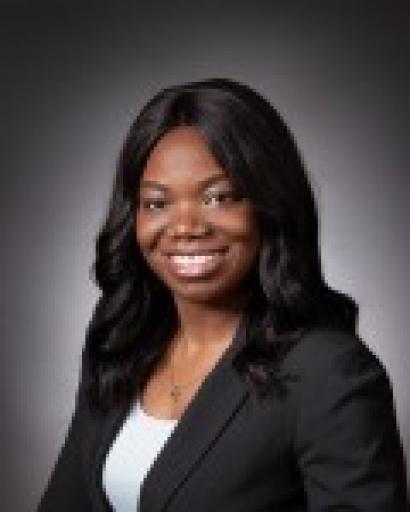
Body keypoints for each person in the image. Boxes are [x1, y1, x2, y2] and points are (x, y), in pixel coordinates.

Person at [38, 78, 408, 512]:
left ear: (270, 206)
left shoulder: (329, 370)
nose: (185, 227)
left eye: (220, 197)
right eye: (157, 203)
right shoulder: (120, 345)